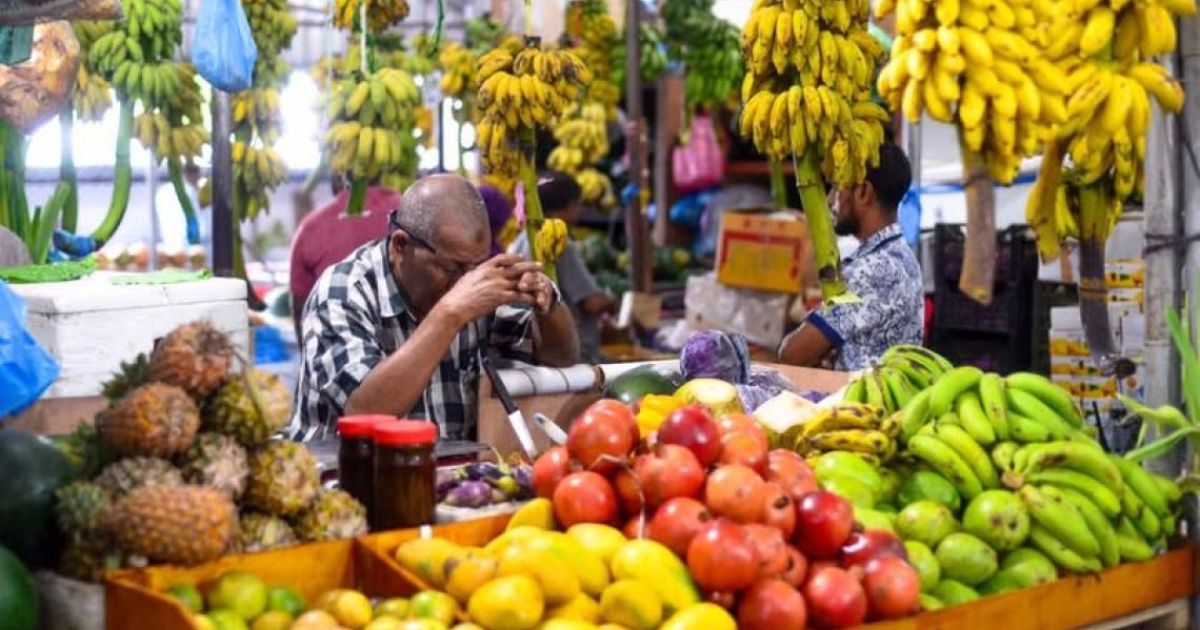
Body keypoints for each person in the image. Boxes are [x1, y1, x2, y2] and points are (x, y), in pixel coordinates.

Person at [291, 174, 580, 442]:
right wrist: (450, 313)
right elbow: (365, 412)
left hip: (442, 481)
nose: (466, 281)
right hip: (342, 481)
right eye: (451, 267)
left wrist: (548, 306)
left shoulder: (471, 284)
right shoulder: (344, 291)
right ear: (400, 246)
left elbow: (560, 357)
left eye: (476, 265)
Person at [777, 142, 923, 371]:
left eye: (836, 188)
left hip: (861, 402)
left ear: (863, 192)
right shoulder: (901, 255)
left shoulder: (873, 270)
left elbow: (793, 355)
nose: (828, 200)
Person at [511, 171, 614, 363]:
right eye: (578, 205)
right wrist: (613, 302)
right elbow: (591, 302)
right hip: (570, 350)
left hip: (536, 349)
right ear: (570, 206)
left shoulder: (521, 240)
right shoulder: (557, 242)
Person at [289, 177, 399, 340]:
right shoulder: (407, 210)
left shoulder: (310, 227)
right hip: (417, 351)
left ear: (336, 182)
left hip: (337, 348)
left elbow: (301, 308)